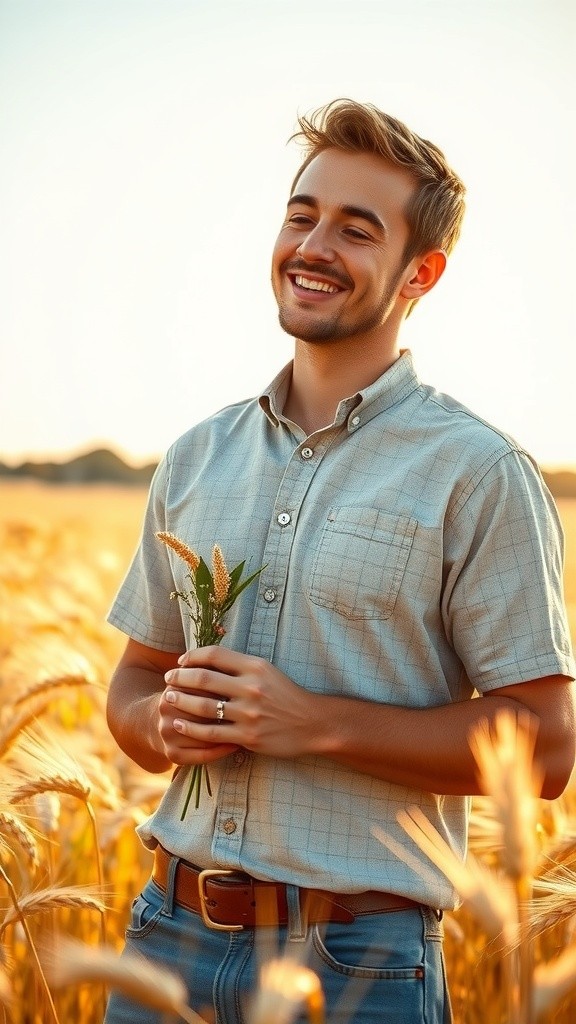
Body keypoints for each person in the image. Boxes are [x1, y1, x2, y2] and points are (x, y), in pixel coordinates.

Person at [104, 99, 576, 1024]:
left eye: (357, 230)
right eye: (301, 214)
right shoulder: (197, 456)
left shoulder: (479, 471)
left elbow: (548, 744)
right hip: (163, 939)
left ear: (421, 272)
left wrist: (313, 722)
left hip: (359, 962)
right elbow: (129, 688)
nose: (313, 245)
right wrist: (164, 724)